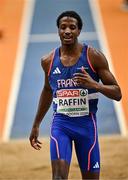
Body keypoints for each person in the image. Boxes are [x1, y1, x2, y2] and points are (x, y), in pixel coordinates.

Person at [29, 11, 122, 180]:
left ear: (79, 31)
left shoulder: (94, 57)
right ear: (58, 30)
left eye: (72, 27)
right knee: (58, 178)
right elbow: (48, 90)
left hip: (86, 126)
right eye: (63, 27)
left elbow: (117, 93)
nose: (67, 31)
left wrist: (94, 85)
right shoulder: (48, 61)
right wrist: (36, 124)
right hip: (61, 125)